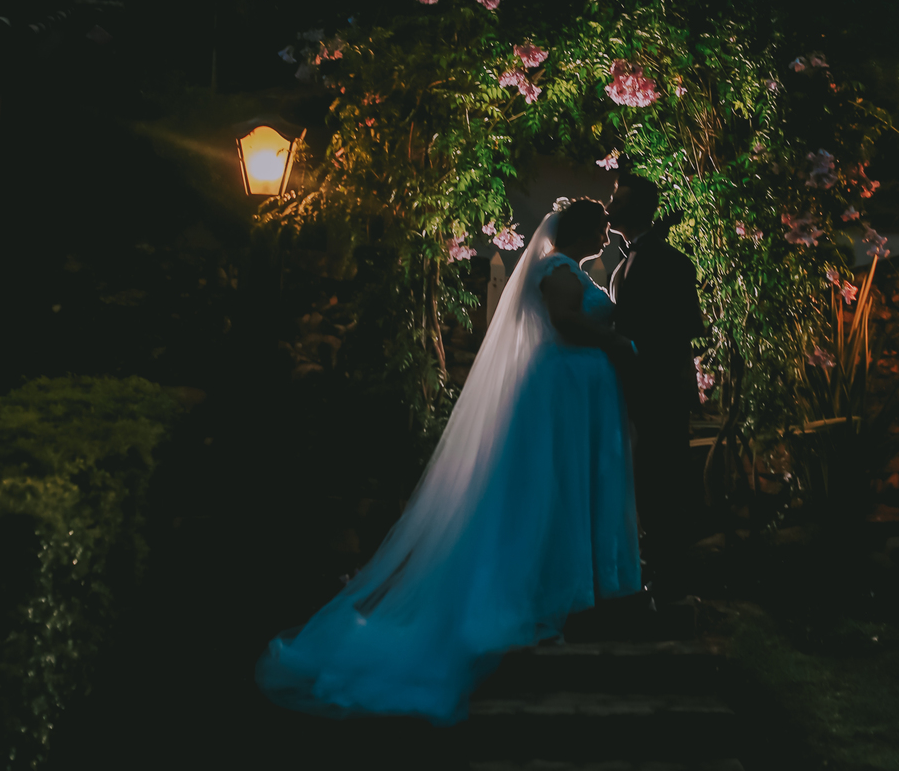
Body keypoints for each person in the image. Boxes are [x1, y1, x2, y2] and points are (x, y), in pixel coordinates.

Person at [255, 199, 640, 724]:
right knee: (556, 488)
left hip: (578, 394)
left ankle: (578, 586)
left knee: (570, 487)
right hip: (564, 392)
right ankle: (553, 592)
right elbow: (565, 320)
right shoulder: (557, 270)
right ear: (581, 231)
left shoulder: (570, 269)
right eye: (600, 227)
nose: (606, 235)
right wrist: (616, 340)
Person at [607, 176, 705, 596]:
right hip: (634, 393)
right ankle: (652, 575)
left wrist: (633, 352)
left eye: (617, 200)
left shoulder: (669, 261)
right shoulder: (626, 261)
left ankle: (670, 583)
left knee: (663, 485)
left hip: (660, 393)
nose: (609, 206)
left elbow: (682, 330)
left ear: (638, 209)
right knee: (645, 485)